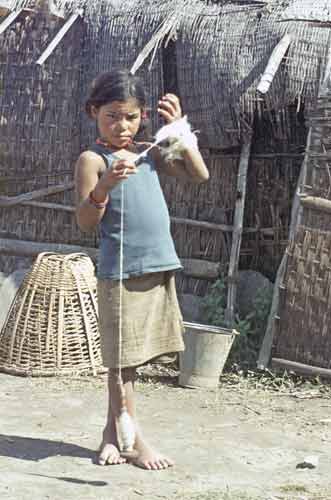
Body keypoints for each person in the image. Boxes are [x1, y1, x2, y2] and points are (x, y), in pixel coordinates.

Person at [74, 70, 209, 470]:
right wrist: (105, 187)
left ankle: (111, 435)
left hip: (157, 264)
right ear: (93, 113)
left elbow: (198, 174)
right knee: (120, 361)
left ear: (144, 116)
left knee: (128, 359)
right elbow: (84, 221)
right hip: (121, 272)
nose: (122, 126)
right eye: (112, 116)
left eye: (130, 117)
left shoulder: (151, 152)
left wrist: (179, 129)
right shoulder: (93, 160)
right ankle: (135, 444)